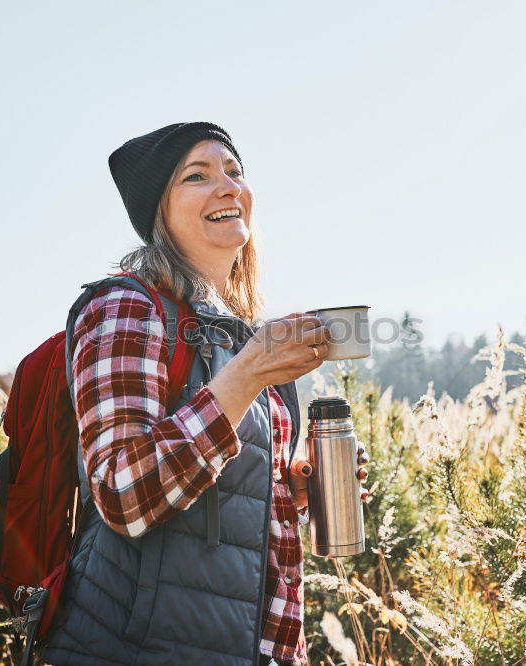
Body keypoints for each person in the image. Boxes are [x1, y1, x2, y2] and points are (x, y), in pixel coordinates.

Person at [41, 122, 369, 666]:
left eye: (234, 171)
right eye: (197, 175)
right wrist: (246, 376)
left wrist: (293, 487)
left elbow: (221, 503)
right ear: (159, 213)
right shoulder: (128, 308)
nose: (227, 186)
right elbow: (124, 493)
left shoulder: (240, 334)